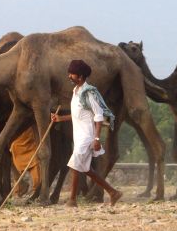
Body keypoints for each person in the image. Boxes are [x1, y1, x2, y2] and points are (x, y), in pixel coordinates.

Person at [51, 59, 123, 207]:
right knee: (85, 169)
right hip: (79, 136)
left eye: (72, 74)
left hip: (87, 136)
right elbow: (78, 114)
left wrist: (96, 138)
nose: (69, 76)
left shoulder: (89, 92)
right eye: (69, 73)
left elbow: (98, 116)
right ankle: (113, 192)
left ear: (81, 76)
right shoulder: (76, 91)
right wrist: (60, 118)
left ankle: (72, 200)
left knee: (74, 164)